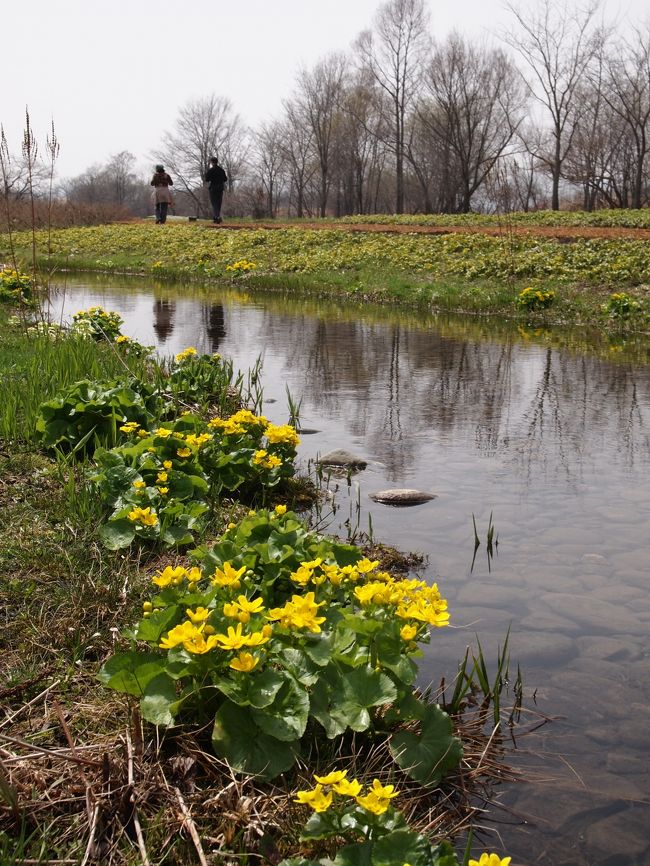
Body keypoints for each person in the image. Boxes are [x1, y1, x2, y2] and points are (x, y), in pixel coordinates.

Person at [204, 157, 228, 223]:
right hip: (220, 188)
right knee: (219, 203)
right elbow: (225, 179)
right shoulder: (221, 170)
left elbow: (207, 179)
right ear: (217, 162)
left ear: (211, 162)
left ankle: (216, 217)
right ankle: (216, 217)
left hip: (213, 188)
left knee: (214, 203)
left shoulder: (211, 170)